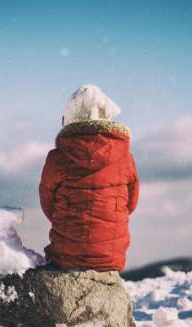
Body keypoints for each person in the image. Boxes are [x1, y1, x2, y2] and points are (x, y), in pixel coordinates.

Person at [38, 84, 139, 272]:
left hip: (66, 256)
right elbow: (131, 204)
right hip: (111, 257)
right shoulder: (125, 158)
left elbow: (48, 204)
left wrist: (71, 221)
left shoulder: (57, 158)